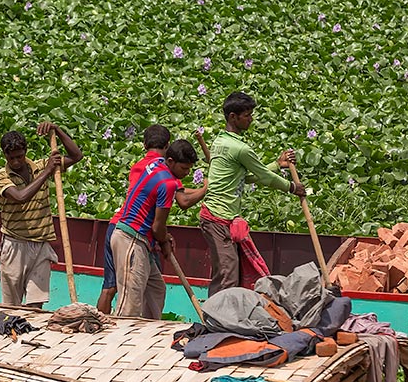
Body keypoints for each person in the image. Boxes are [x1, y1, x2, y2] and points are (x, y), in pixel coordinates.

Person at [201, 91, 306, 296]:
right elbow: (264, 177)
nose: (251, 119)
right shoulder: (240, 148)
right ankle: (216, 322)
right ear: (233, 117)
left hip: (218, 217)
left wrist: (277, 164)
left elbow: (247, 177)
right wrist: (292, 187)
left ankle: (218, 318)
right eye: (247, 115)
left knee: (227, 274)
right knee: (228, 275)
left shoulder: (220, 142)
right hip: (218, 217)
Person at [110, 137, 208, 319]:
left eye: (189, 169)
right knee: (129, 305)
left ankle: (147, 330)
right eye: (184, 168)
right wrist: (164, 240)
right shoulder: (167, 183)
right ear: (171, 161)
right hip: (131, 238)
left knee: (156, 288)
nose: (187, 173)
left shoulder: (157, 164)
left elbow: (158, 226)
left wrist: (164, 237)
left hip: (142, 240)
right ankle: (122, 340)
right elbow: (157, 227)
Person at [0, 123, 82, 307]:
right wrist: (47, 171)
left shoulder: (40, 166)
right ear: (4, 156)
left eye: (20, 156)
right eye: (11, 158)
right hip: (14, 245)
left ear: (25, 152)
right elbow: (20, 197)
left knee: (36, 305)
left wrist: (57, 130)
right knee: (12, 306)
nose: (16, 162)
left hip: (41, 245)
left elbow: (76, 156)